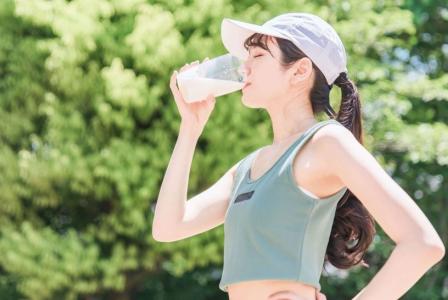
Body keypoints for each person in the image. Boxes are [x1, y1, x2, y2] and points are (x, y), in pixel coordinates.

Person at [153, 12, 445, 300]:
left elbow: (423, 245)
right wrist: (190, 128)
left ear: (300, 71)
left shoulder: (326, 142)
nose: (244, 67)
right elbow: (168, 227)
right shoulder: (247, 167)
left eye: (258, 55)